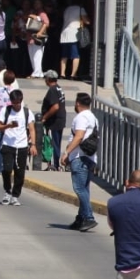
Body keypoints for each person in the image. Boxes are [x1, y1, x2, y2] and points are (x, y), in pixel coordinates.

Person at [61, 93, 98, 232]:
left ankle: (88, 217)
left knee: (79, 188)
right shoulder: (93, 117)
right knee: (84, 189)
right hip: (89, 158)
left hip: (80, 157)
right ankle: (81, 218)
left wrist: (67, 152)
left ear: (77, 103)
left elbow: (79, 136)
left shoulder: (81, 117)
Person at [0, 89, 36, 206]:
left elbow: (32, 129)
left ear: (21, 101)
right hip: (8, 145)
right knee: (7, 169)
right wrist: (8, 125)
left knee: (20, 173)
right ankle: (7, 191)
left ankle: (15, 195)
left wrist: (33, 144)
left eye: (18, 102)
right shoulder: (6, 111)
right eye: (14, 102)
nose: (16, 105)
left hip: (22, 146)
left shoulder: (27, 112)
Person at [39, 71, 67, 170]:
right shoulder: (58, 88)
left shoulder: (52, 90)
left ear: (49, 79)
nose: (45, 80)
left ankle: (54, 165)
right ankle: (55, 164)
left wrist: (45, 117)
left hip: (54, 122)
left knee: (52, 143)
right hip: (60, 119)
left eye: (45, 78)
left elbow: (55, 107)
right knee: (56, 143)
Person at [59, 0, 89, 79]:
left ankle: (62, 73)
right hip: (74, 35)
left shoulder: (67, 9)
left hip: (64, 34)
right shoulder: (80, 9)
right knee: (76, 56)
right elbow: (86, 21)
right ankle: (73, 74)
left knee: (64, 56)